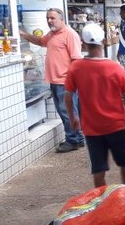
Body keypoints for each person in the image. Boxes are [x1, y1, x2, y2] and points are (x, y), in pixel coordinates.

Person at [64, 24, 125, 187]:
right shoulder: (115, 67)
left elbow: (68, 95)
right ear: (103, 42)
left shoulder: (76, 67)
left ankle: (101, 201)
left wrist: (73, 117)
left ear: (83, 44)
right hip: (116, 125)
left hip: (91, 128)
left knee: (98, 169)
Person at [19, 8, 85, 152]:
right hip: (55, 80)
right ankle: (78, 138)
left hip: (65, 81)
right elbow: (40, 41)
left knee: (67, 111)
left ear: (62, 19)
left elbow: (76, 60)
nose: (49, 21)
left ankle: (72, 140)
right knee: (67, 111)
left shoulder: (69, 34)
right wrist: (24, 35)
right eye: (48, 18)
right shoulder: (52, 34)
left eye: (53, 18)